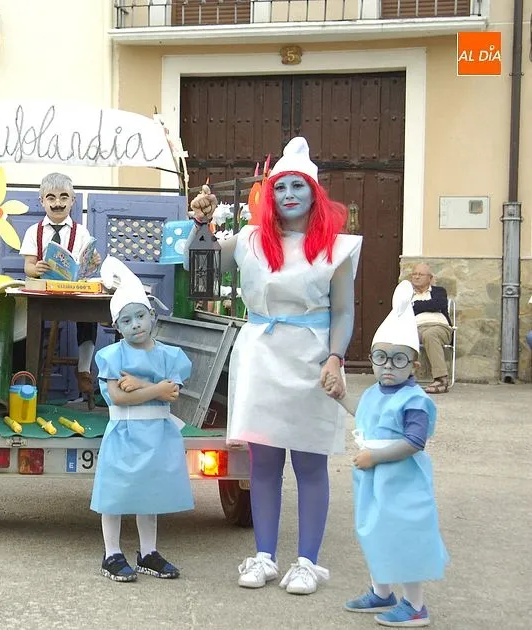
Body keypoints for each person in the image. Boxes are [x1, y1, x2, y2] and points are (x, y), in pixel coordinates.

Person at [187, 137, 362, 595]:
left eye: (297, 186)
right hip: (260, 354)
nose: (288, 194)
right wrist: (201, 224)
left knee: (309, 460)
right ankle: (264, 556)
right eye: (280, 186)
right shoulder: (249, 240)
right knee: (262, 462)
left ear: (314, 193)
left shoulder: (336, 248)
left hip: (311, 356)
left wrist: (336, 357)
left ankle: (307, 562)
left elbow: (344, 311)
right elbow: (202, 270)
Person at [324, 280, 448, 627]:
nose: (388, 366)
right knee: (375, 533)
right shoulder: (376, 392)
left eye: (398, 359)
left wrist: (374, 458)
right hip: (374, 479)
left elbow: (414, 442)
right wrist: (340, 396)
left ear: (414, 366)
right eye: (381, 358)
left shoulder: (414, 401)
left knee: (401, 537)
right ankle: (382, 592)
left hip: (401, 482)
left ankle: (415, 605)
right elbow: (363, 414)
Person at [90, 256, 193, 582]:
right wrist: (157, 389)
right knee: (115, 494)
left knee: (150, 494)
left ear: (152, 316)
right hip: (124, 431)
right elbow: (118, 397)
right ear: (116, 327)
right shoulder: (112, 356)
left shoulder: (170, 356)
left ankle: (148, 552)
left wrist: (143, 385)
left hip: (157, 433)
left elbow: (172, 393)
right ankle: (111, 553)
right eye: (126, 320)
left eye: (140, 316)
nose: (135, 324)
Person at [19, 173, 101, 402]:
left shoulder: (81, 232)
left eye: (64, 197)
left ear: (72, 201)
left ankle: (83, 369)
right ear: (42, 201)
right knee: (32, 321)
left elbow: (87, 266)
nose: (58, 203)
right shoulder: (34, 231)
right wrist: (36, 268)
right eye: (51, 198)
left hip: (73, 292)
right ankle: (32, 372)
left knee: (89, 315)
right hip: (46, 293)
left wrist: (94, 262)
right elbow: (28, 266)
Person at [410, 263, 453, 394]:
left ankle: (441, 380)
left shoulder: (439, 291)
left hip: (439, 327)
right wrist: (428, 305)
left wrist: (416, 305)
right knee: (404, 337)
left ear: (430, 278)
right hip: (415, 328)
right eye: (414, 274)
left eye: (420, 274)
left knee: (430, 334)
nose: (417, 277)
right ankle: (402, 375)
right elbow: (404, 310)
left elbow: (439, 304)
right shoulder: (407, 294)